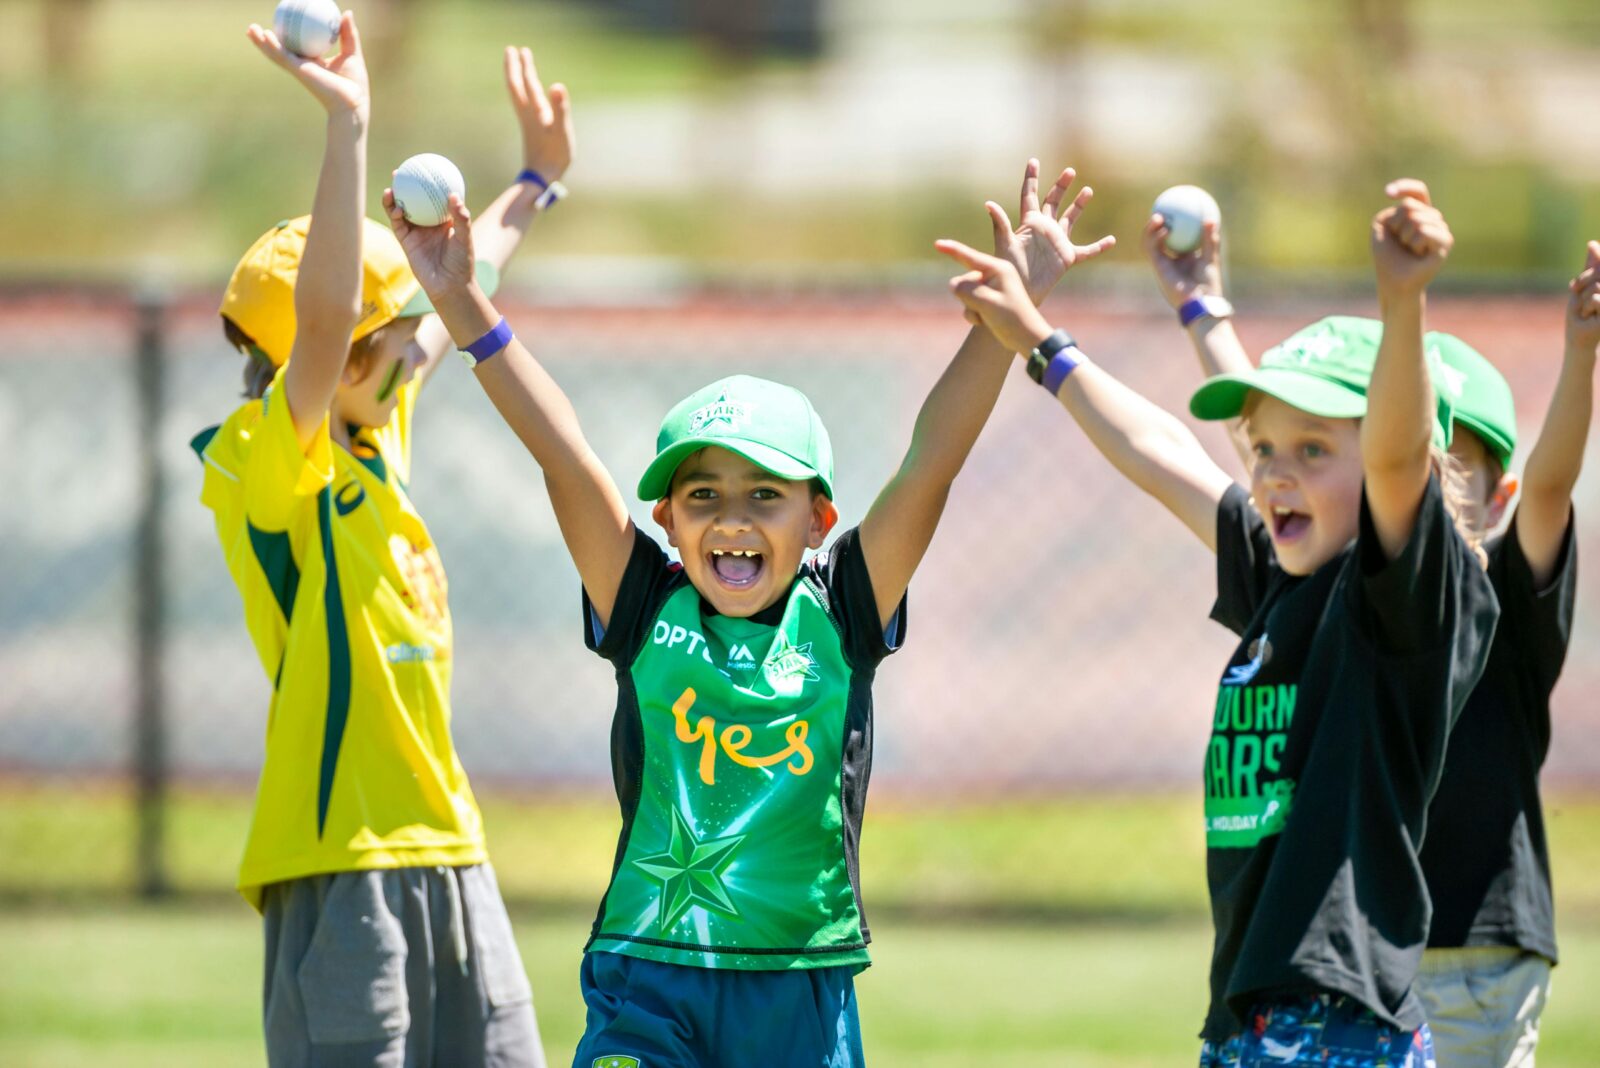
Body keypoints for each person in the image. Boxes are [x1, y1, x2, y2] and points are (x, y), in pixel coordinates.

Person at [377, 159, 1113, 1066]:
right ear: (667, 517)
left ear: (818, 520)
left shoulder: (844, 610)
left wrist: (1011, 327)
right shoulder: (644, 603)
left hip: (797, 987)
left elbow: (929, 463)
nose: (730, 518)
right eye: (704, 494)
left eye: (764, 494)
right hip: (647, 977)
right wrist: (460, 304)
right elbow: (565, 457)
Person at [938, 176, 1497, 1067]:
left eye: (1313, 451)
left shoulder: (1395, 603)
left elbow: (1392, 457)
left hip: (1334, 1021)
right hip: (1253, 1017)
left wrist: (1403, 301)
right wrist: (1048, 343)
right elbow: (1164, 455)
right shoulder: (1283, 572)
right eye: (1266, 452)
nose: (1273, 474)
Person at [191, 14, 571, 1065]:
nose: (417, 347)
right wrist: (348, 130)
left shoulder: (375, 421)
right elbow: (320, 327)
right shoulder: (269, 459)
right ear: (338, 354)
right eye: (391, 337)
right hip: (339, 861)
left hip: (452, 845)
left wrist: (535, 182)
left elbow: (460, 284)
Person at [1145, 206, 1596, 1068]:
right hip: (1368, 945)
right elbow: (1276, 445)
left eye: (1444, 460)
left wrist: (1582, 356)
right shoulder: (1334, 580)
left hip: (1475, 937)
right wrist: (1204, 310)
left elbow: (1549, 483)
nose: (1421, 477)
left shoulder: (1499, 588)